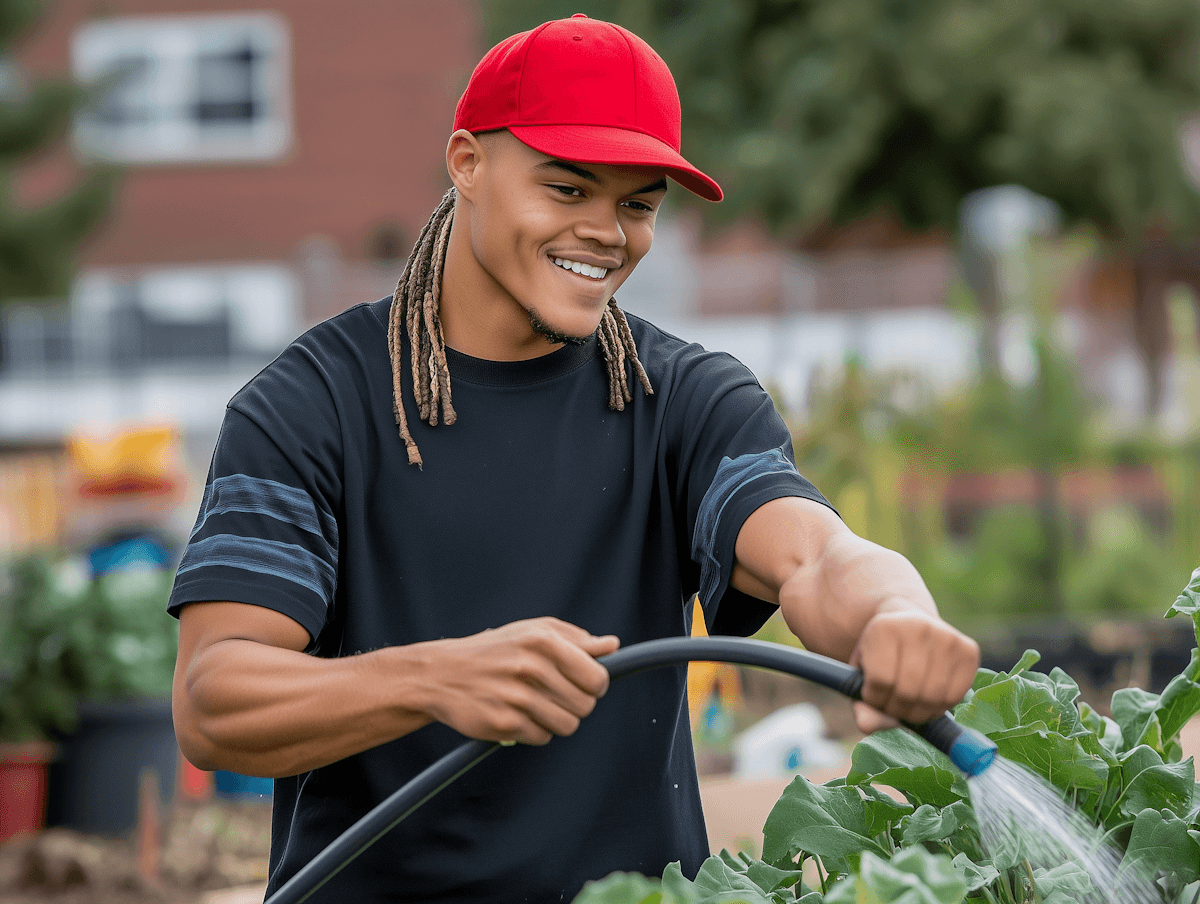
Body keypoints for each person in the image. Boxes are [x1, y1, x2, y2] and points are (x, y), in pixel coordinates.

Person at [169, 14, 980, 903]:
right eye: (567, 189)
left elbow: (815, 555)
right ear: (467, 164)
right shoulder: (308, 406)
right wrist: (436, 678)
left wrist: (895, 616)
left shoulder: (682, 399)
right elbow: (215, 700)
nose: (606, 232)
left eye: (637, 205)